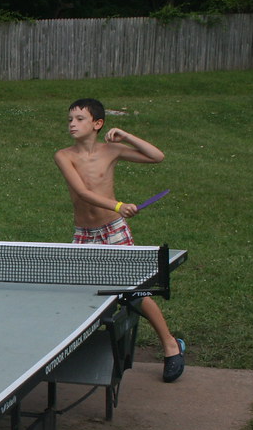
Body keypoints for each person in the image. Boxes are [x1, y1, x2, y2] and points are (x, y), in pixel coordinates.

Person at [53, 98, 185, 383]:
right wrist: (117, 205)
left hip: (113, 231)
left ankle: (171, 345)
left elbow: (156, 156)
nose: (72, 124)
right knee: (79, 292)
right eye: (70, 120)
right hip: (85, 234)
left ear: (97, 124)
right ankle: (83, 350)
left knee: (135, 291)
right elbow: (82, 191)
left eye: (79, 119)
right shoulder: (64, 155)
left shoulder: (111, 150)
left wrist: (125, 135)